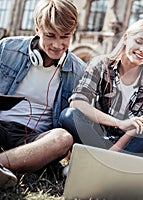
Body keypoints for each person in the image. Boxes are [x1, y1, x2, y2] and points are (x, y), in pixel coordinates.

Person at [0, 0, 86, 189]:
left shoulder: (80, 71)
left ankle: (3, 165)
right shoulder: (7, 48)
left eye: (65, 36)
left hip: (33, 141)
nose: (57, 44)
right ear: (37, 29)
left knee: (62, 138)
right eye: (50, 35)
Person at [59, 19, 143, 157]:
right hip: (96, 139)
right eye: (139, 41)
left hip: (129, 148)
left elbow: (136, 127)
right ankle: (104, 163)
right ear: (126, 38)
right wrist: (120, 123)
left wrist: (111, 155)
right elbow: (77, 102)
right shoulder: (101, 65)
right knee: (68, 115)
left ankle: (104, 163)